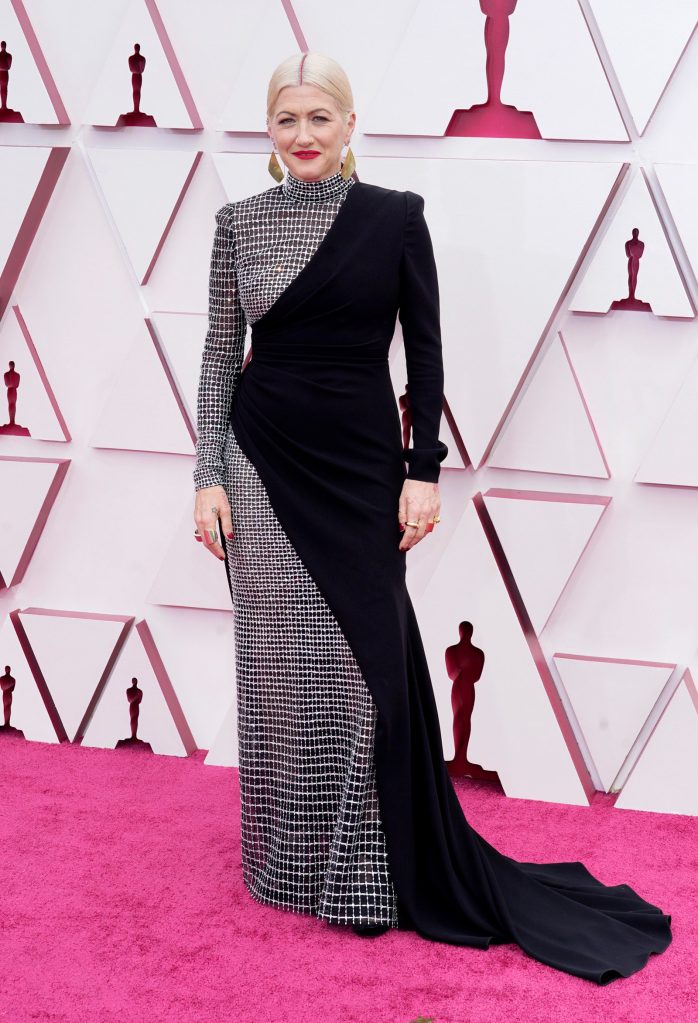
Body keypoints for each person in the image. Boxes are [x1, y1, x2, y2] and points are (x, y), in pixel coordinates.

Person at [192, 51, 672, 983]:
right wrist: (207, 473)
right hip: (259, 461)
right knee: (281, 668)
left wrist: (423, 471)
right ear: (269, 130)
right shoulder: (237, 224)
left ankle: (367, 866)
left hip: (362, 469)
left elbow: (426, 354)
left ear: (349, 123)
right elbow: (218, 354)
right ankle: (287, 861)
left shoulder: (394, 218)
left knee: (365, 671)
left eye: (320, 117)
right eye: (287, 119)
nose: (303, 135)